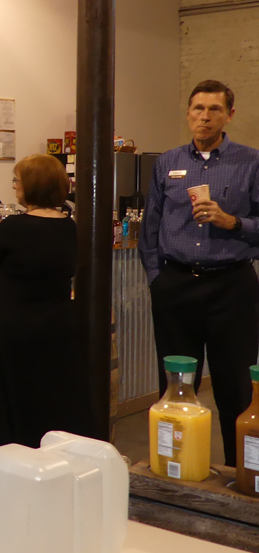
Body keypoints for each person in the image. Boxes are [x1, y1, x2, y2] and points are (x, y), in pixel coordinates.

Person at [138, 79, 259, 468]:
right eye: (198, 109)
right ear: (188, 113)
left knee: (235, 389)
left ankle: (240, 476)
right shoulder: (168, 162)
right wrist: (157, 277)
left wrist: (233, 222)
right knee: (174, 386)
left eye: (214, 110)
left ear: (229, 115)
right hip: (175, 288)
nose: (205, 117)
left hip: (232, 288)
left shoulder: (252, 163)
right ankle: (174, 471)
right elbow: (150, 228)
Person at [0, 154, 91, 507]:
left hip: (13, 325)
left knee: (6, 400)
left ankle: (3, 481)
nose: (14, 186)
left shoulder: (14, 226)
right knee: (50, 397)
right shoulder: (69, 226)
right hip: (55, 326)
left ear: (33, 186)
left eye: (18, 180)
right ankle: (52, 474)